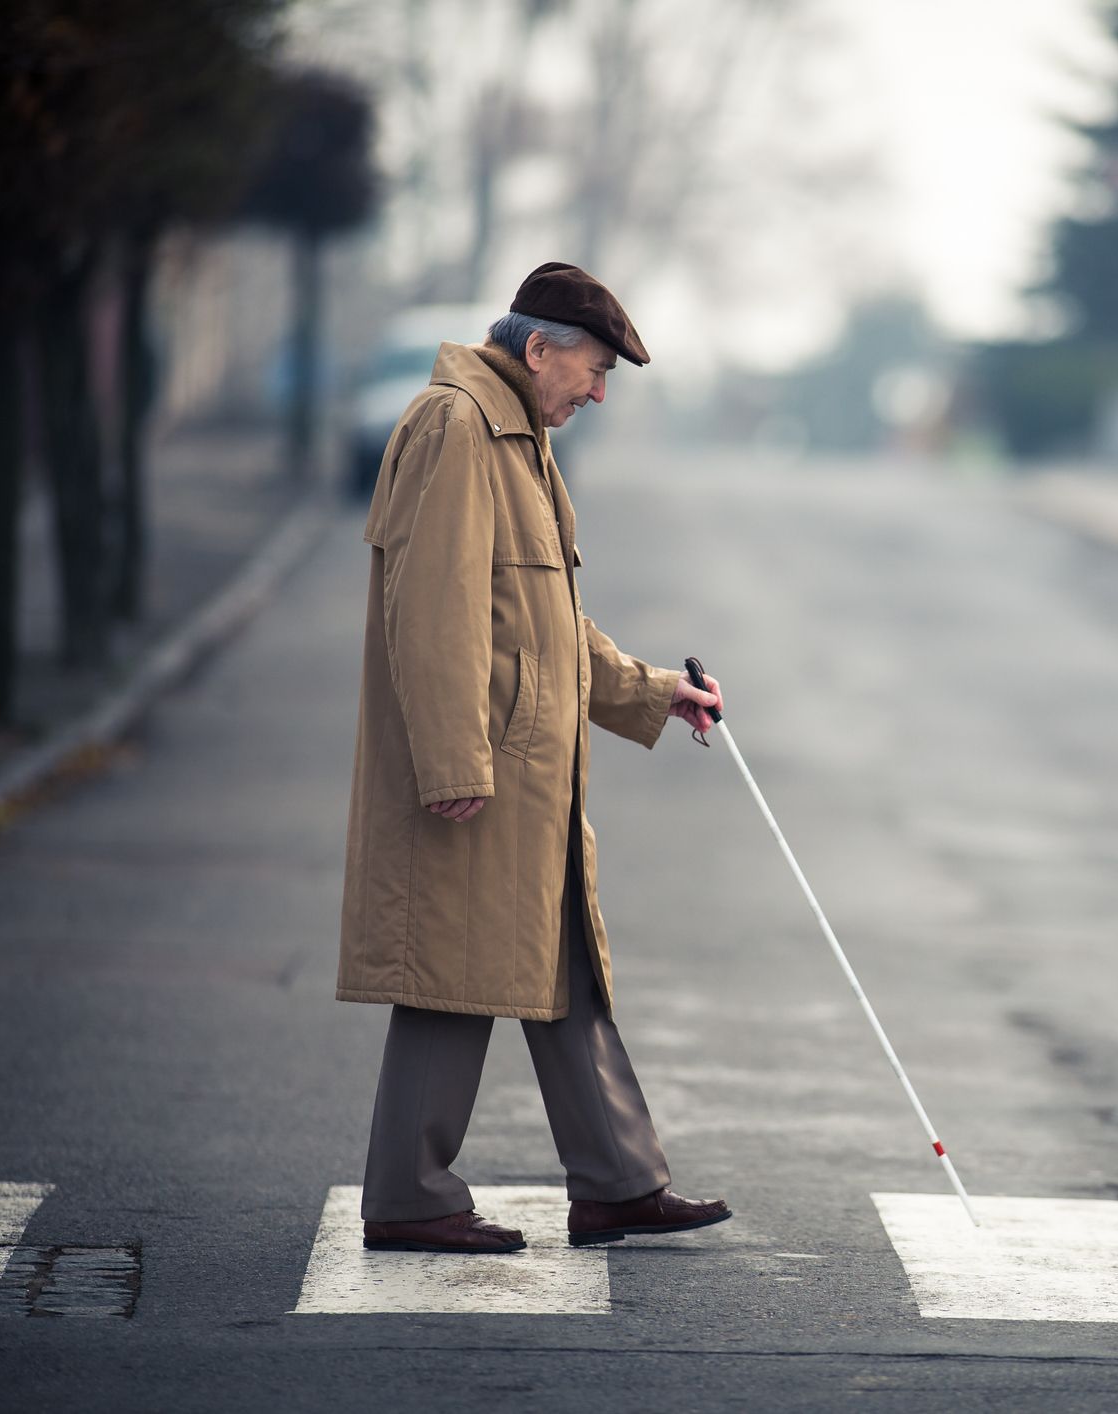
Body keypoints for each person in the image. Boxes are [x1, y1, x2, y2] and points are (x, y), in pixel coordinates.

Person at [337, 262, 729, 1254]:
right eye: (592, 370)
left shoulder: (517, 438)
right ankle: (412, 1197)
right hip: (484, 773)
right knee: (448, 977)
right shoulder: (460, 430)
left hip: (530, 779)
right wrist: (455, 763)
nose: (597, 392)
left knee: (561, 974)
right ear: (538, 349)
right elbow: (433, 614)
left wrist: (650, 689)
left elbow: (544, 626)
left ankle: (618, 1184)